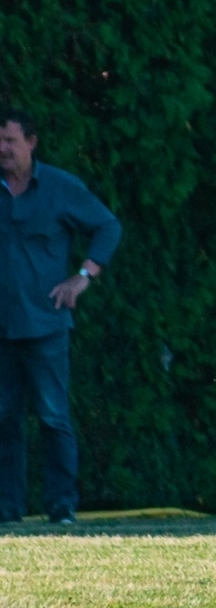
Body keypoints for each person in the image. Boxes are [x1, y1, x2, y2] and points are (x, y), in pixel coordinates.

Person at [0, 109, 122, 524]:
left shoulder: (60, 188)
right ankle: (8, 509)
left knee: (53, 417)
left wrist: (83, 276)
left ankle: (62, 507)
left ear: (31, 142)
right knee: (3, 419)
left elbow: (107, 226)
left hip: (46, 325)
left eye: (10, 141)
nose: (2, 149)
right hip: (1, 329)